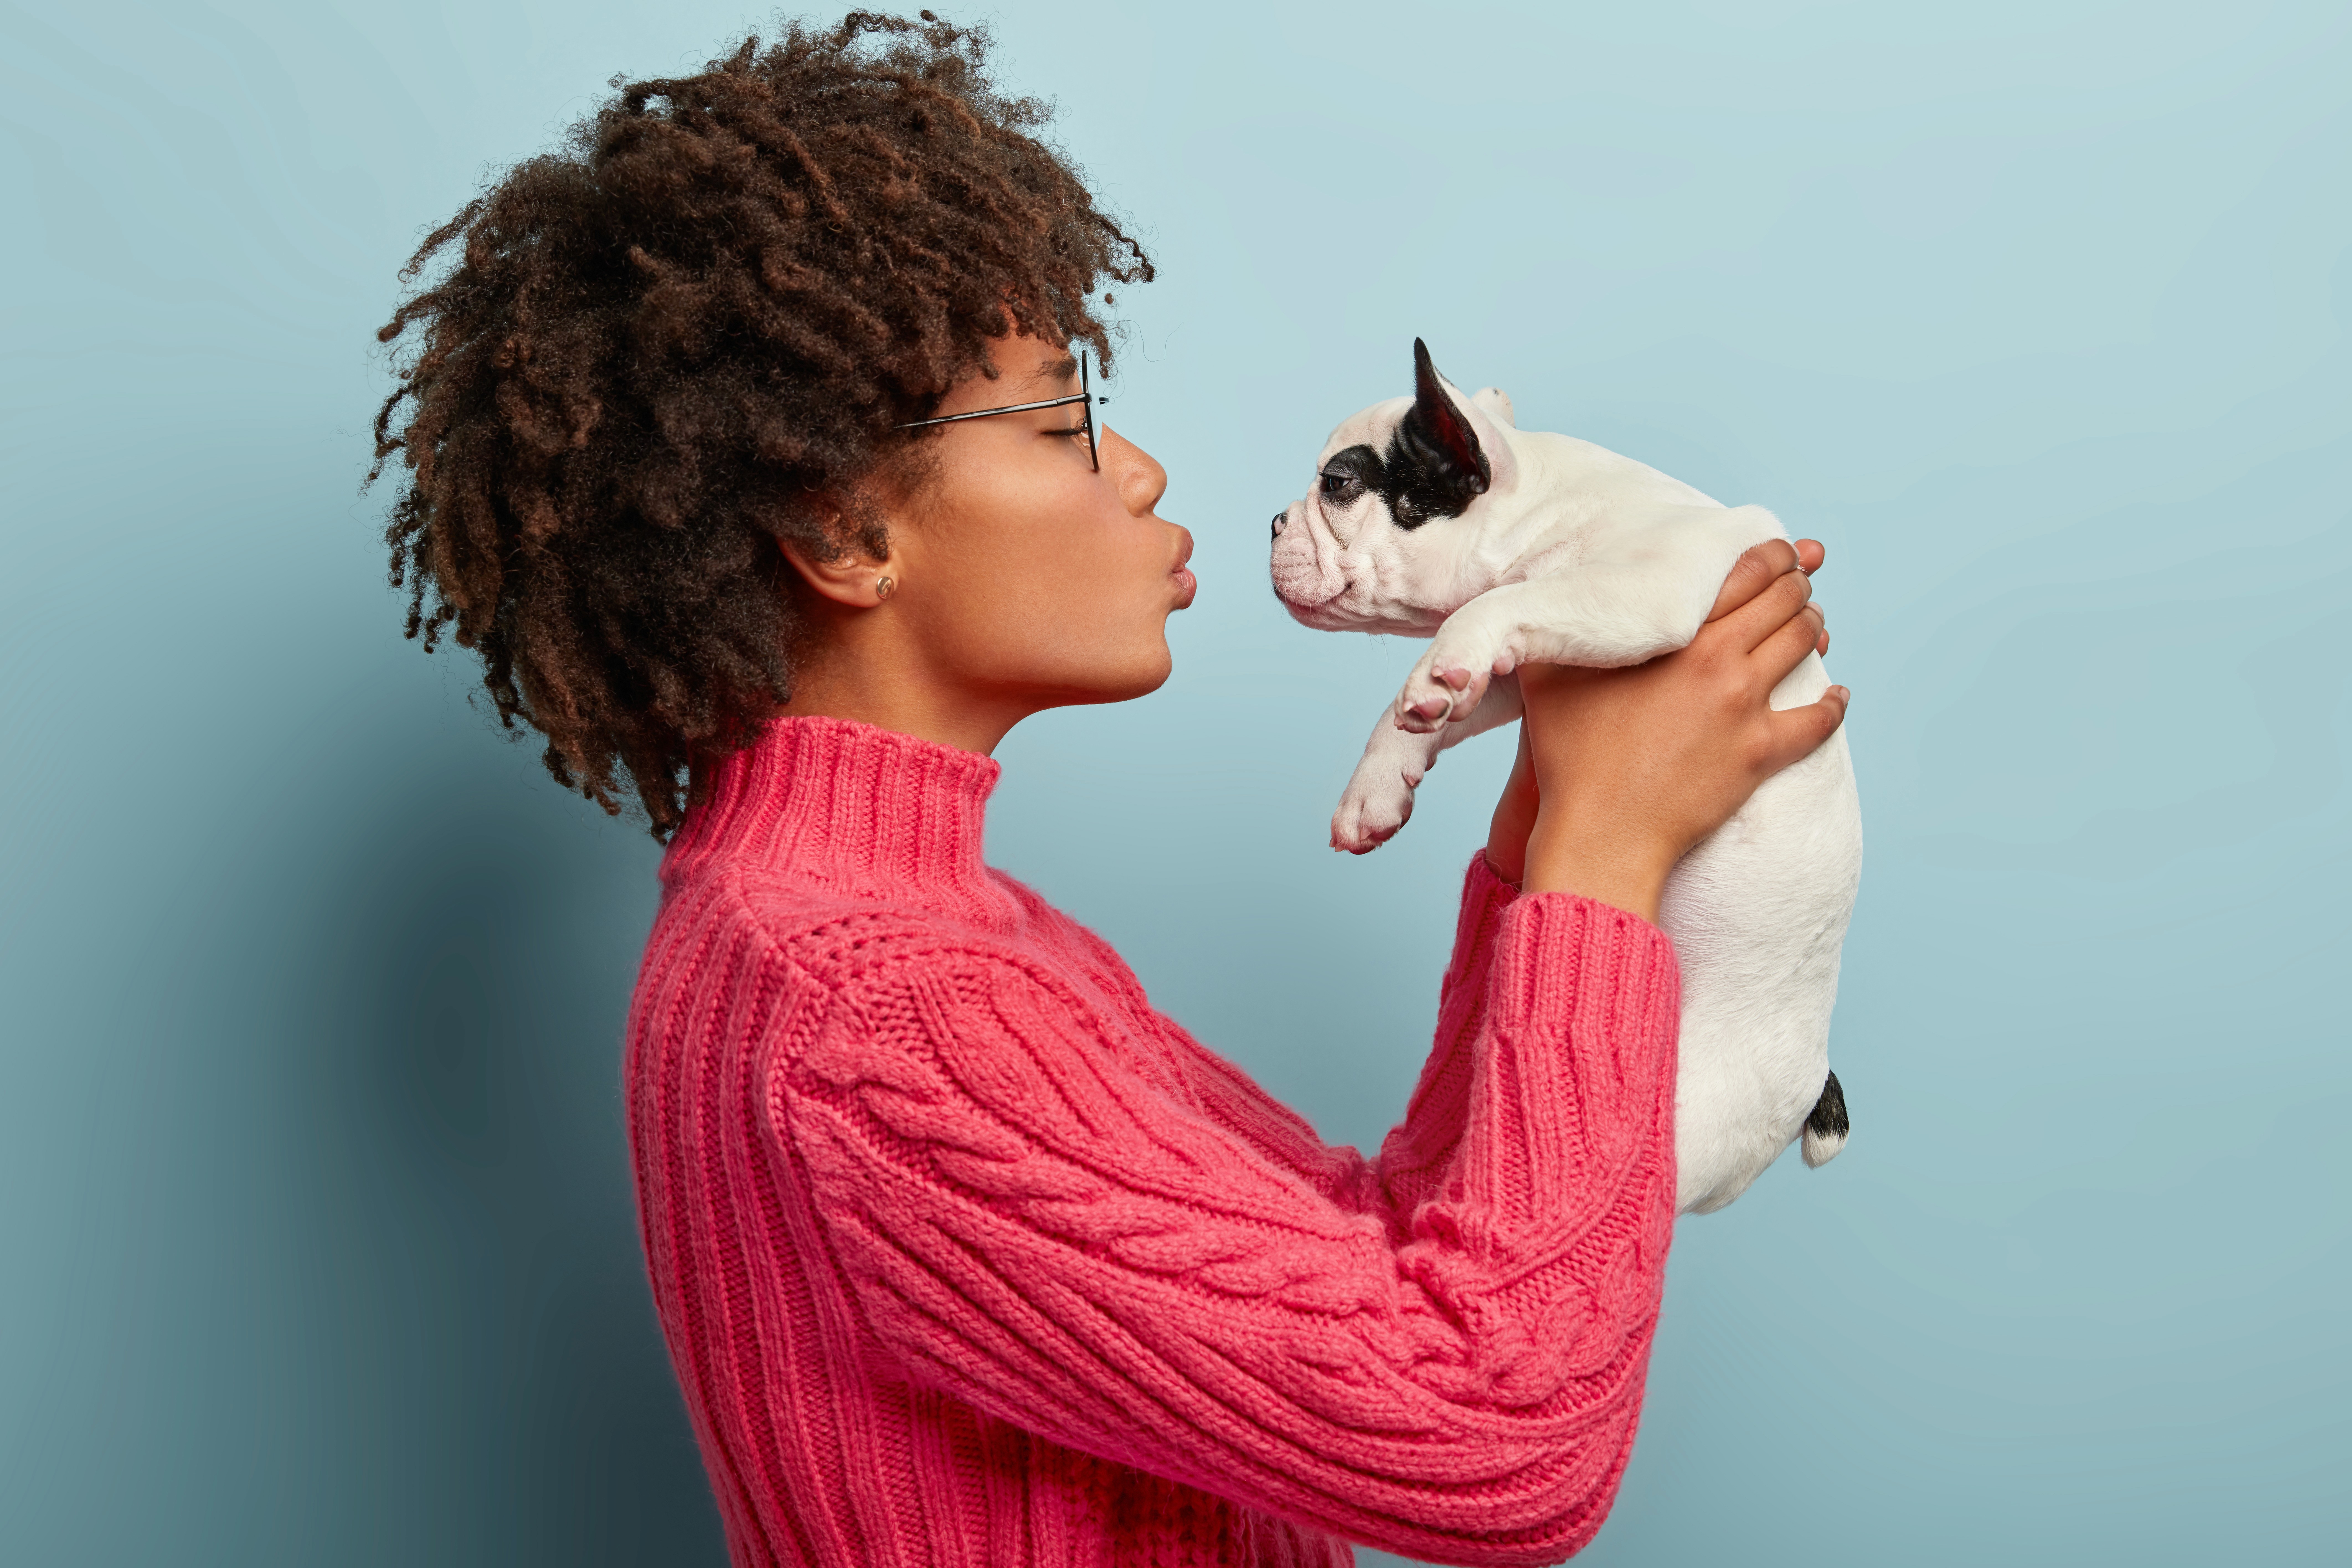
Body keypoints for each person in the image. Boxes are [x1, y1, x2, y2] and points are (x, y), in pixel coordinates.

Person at [370, 15, 1846, 1567]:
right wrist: (1605, 868)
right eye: (1062, 415)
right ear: (843, 536)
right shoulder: (879, 1022)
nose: (1136, 467)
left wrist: (1552, 820)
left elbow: (1385, 1255)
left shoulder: (905, 936)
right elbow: (1499, 1442)